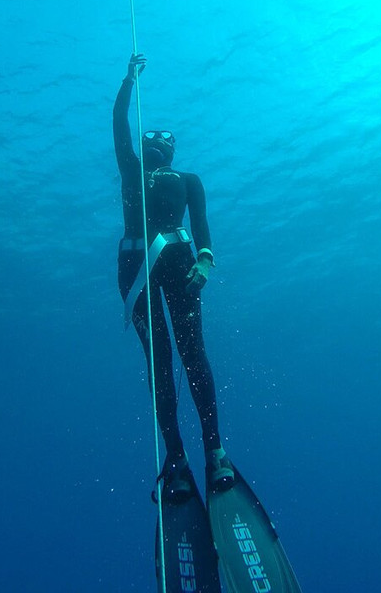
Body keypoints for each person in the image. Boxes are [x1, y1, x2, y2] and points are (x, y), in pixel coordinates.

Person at [114, 52, 234, 500]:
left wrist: (205, 260)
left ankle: (215, 451)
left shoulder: (188, 178)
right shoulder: (130, 168)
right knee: (159, 360)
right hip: (135, 269)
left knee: (192, 354)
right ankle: (176, 458)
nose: (157, 140)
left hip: (180, 262)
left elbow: (202, 225)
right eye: (152, 137)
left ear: (173, 149)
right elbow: (118, 124)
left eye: (165, 139)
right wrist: (127, 82)